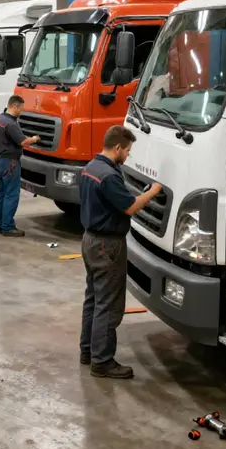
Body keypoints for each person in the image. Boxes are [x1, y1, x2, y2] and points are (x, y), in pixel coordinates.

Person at [79, 124, 162, 378]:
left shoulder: (90, 168)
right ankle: (102, 362)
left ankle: (88, 351)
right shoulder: (109, 176)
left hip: (89, 240)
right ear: (117, 148)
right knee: (109, 304)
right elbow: (129, 207)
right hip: (107, 245)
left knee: (93, 298)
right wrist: (153, 192)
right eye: (127, 150)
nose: (128, 155)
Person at [0, 95, 40, 237]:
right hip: (11, 162)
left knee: (2, 193)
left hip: (0, 160)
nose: (22, 111)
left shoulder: (0, 119)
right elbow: (23, 142)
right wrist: (35, 139)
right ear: (15, 106)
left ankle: (1, 224)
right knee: (12, 194)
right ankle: (7, 227)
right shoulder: (11, 124)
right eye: (21, 109)